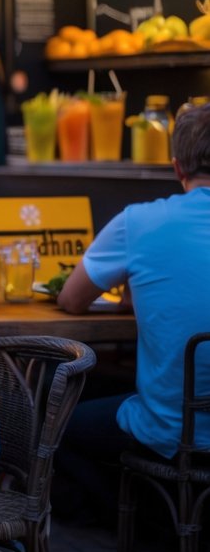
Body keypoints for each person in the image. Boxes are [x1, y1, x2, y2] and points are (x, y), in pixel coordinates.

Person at [55, 103, 210, 524]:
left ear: (176, 166)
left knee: (54, 426)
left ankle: (139, 524)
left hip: (171, 432)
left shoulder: (140, 222)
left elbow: (71, 299)